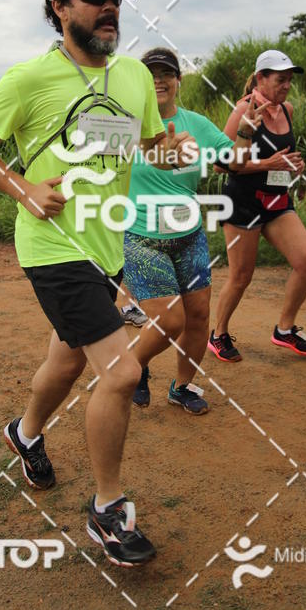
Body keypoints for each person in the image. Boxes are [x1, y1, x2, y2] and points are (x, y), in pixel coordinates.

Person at [0, 0, 198, 567]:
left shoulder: (133, 77)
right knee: (120, 373)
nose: (109, 6)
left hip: (106, 246)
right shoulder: (29, 79)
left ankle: (24, 433)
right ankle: (108, 509)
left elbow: (148, 147)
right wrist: (24, 190)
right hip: (54, 247)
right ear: (60, 7)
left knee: (65, 363)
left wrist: (177, 151)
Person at [124, 47, 258, 412]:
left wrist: (245, 131)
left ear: (178, 80)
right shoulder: (127, 125)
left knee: (198, 316)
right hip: (141, 237)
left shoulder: (196, 124)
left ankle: (182, 387)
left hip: (189, 237)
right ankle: (134, 366)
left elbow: (234, 161)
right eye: (151, 75)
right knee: (169, 320)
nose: (159, 81)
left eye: (166, 74)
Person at [211, 50, 306, 361]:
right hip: (242, 204)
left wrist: (293, 165)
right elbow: (220, 164)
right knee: (241, 276)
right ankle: (218, 334)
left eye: (289, 80)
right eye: (280, 79)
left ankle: (284, 329)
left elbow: (283, 157)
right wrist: (267, 164)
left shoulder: (287, 109)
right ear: (261, 78)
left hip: (277, 202)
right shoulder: (242, 111)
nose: (286, 86)